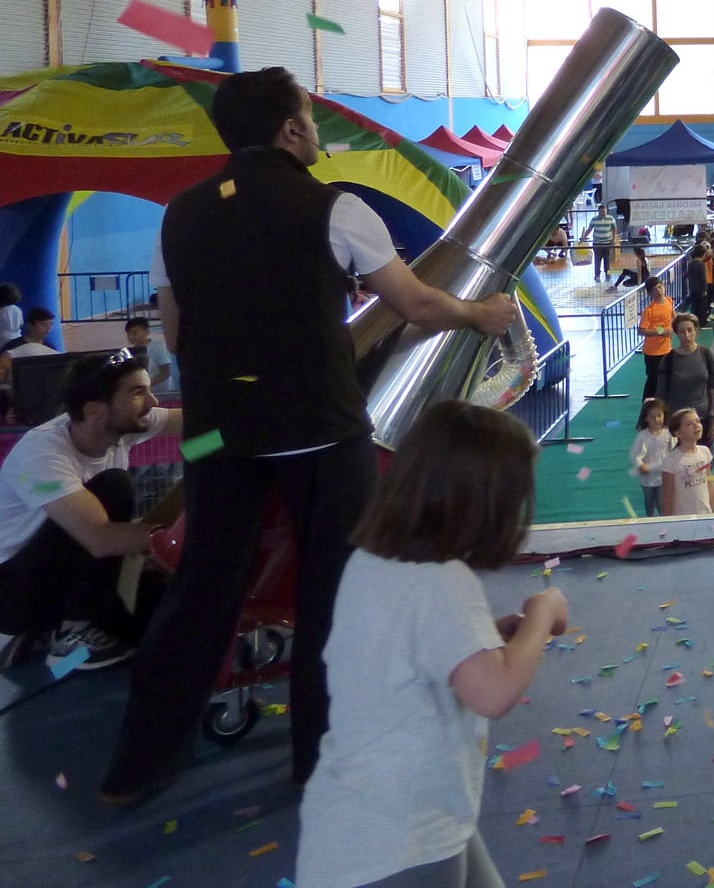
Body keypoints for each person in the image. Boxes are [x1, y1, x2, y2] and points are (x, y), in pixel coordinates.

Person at [105, 67, 516, 806]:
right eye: (310, 117)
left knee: (201, 589)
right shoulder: (338, 209)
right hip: (322, 433)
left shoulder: (178, 216)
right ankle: (317, 762)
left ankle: (136, 767)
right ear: (291, 129)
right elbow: (416, 305)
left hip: (215, 438)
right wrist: (481, 315)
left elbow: (177, 332)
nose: (317, 131)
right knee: (335, 596)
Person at [295, 400, 566, 888]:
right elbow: (494, 692)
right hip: (403, 840)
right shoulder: (442, 580)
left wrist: (487, 638)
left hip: (365, 820)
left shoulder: (374, 562)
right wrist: (543, 612)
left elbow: (407, 651)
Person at [0, 351, 179, 669]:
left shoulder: (118, 424)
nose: (152, 402)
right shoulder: (41, 455)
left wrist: (228, 437)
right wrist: (177, 538)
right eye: (138, 392)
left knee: (161, 615)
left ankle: (54, 641)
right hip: (14, 591)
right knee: (114, 486)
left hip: (63, 579)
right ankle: (68, 637)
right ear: (94, 411)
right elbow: (100, 539)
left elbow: (197, 423)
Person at [655, 313, 714, 446]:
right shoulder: (668, 360)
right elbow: (660, 395)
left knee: (703, 458)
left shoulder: (707, 355)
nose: (686, 335)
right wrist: (661, 424)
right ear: (676, 334)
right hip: (676, 423)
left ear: (696, 331)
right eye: (681, 331)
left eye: (690, 330)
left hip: (702, 421)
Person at [664, 407, 714, 516]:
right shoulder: (671, 460)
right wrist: (668, 522)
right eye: (689, 424)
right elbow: (667, 496)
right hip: (684, 519)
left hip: (705, 515)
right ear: (678, 433)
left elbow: (710, 484)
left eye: (697, 421)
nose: (696, 426)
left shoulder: (705, 452)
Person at [631, 398, 674, 517]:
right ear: (645, 418)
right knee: (649, 504)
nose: (656, 420)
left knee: (662, 503)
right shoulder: (642, 436)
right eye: (652, 417)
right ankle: (650, 522)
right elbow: (634, 454)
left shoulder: (669, 434)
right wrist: (640, 466)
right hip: (647, 479)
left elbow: (673, 453)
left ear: (664, 415)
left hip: (663, 477)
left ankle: (664, 522)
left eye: (659, 416)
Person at [638, 277, 677, 403]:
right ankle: (647, 404)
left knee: (666, 377)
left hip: (666, 349)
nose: (659, 291)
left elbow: (673, 316)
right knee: (653, 380)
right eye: (654, 290)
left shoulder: (669, 301)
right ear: (650, 293)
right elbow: (641, 330)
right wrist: (661, 331)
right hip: (652, 353)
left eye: (660, 287)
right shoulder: (649, 311)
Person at [589, 205, 618, 286]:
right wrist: (583, 238)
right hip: (597, 243)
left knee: (607, 259)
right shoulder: (594, 219)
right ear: (598, 211)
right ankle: (597, 275)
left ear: (606, 211)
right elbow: (589, 229)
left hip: (608, 243)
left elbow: (614, 229)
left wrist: (613, 239)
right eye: (601, 211)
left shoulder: (611, 219)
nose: (602, 213)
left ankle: (608, 274)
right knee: (597, 260)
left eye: (604, 211)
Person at [0, 282, 21, 346]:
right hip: (17, 340)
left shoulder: (1, 311)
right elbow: (20, 325)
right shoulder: (17, 309)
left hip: (2, 342)